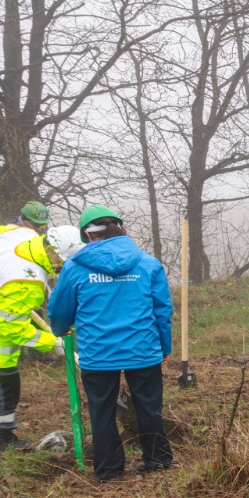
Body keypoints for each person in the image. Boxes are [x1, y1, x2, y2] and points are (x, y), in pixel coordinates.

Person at [47, 206, 173, 481]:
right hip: (143, 349)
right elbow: (162, 311)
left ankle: (108, 470)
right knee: (149, 407)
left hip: (98, 353)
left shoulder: (74, 267)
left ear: (88, 235)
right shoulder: (148, 264)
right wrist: (164, 348)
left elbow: (60, 310)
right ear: (119, 229)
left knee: (101, 410)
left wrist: (60, 328)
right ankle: (158, 460)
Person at [0, 222, 60, 449]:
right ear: (51, 250)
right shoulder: (25, 280)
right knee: (6, 386)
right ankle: (2, 438)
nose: (60, 267)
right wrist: (51, 342)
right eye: (61, 262)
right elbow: (11, 327)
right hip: (1, 345)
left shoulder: (24, 235)